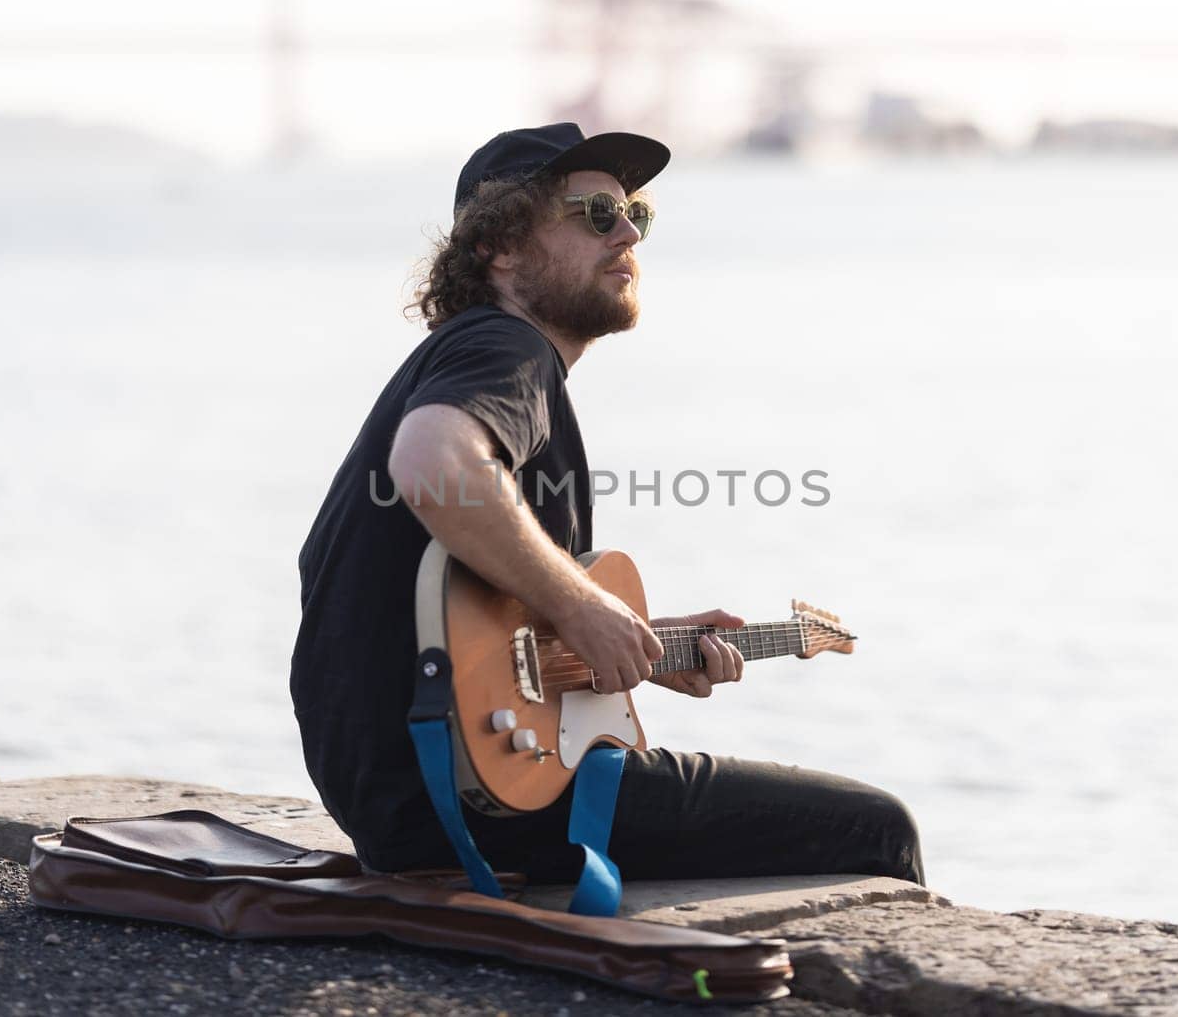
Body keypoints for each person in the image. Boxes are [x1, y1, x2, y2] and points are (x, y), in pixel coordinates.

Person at [290, 123, 923, 886]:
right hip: (479, 800)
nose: (627, 232)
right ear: (502, 248)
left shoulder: (463, 358)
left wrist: (634, 645)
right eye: (594, 215)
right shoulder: (505, 349)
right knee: (878, 829)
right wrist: (584, 608)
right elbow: (433, 464)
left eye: (636, 217)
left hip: (406, 798)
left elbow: (431, 618)